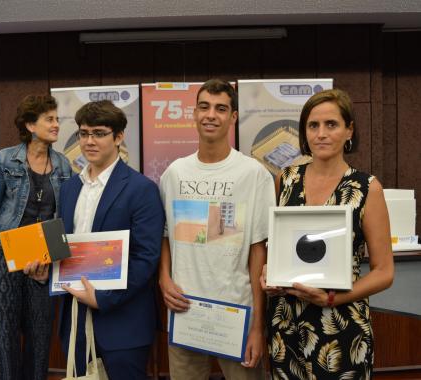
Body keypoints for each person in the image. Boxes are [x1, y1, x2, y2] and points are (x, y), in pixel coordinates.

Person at [261, 88, 394, 379]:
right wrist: (267, 273)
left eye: (331, 124)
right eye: (313, 125)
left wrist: (333, 299)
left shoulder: (366, 188)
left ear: (349, 131)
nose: (321, 133)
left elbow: (384, 271)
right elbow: (277, 247)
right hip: (286, 323)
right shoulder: (286, 179)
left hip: (341, 326)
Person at [159, 79, 275, 380]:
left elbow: (258, 251)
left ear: (233, 117)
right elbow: (166, 237)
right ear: (194, 114)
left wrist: (257, 327)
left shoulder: (254, 175)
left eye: (221, 108)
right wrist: (163, 279)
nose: (211, 115)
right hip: (184, 311)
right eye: (204, 107)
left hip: (236, 313)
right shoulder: (174, 174)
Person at [0, 94, 72, 380]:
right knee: (2, 333)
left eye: (56, 119)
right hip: (4, 255)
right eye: (49, 119)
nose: (55, 125)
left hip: (42, 258)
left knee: (39, 333)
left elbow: (64, 217)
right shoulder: (5, 159)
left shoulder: (63, 165)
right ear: (30, 125)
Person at [57, 100, 165, 380]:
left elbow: (146, 257)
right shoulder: (69, 189)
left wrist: (103, 298)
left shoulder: (142, 189)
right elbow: (63, 247)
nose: (89, 141)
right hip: (75, 320)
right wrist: (45, 265)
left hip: (123, 322)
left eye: (99, 133)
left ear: (118, 137)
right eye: (83, 133)